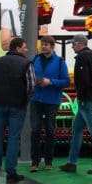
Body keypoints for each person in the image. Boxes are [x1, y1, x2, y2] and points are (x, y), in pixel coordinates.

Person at [59, 35, 92, 175]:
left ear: (80, 44)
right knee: (76, 129)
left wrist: (81, 98)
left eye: (73, 44)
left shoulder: (83, 57)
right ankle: (71, 162)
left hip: (87, 99)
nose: (72, 47)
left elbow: (83, 80)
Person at [0, 37, 35, 183]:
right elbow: (31, 86)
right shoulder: (26, 64)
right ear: (18, 48)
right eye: (24, 47)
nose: (26, 50)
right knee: (13, 139)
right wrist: (25, 99)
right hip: (17, 107)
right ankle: (11, 172)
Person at [29, 36, 69, 172]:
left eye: (46, 45)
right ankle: (34, 162)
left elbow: (66, 81)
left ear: (52, 46)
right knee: (35, 131)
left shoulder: (60, 62)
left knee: (50, 131)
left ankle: (48, 161)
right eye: (42, 44)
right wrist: (35, 81)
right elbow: (29, 76)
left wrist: (50, 82)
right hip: (36, 100)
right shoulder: (35, 60)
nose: (43, 47)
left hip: (52, 101)